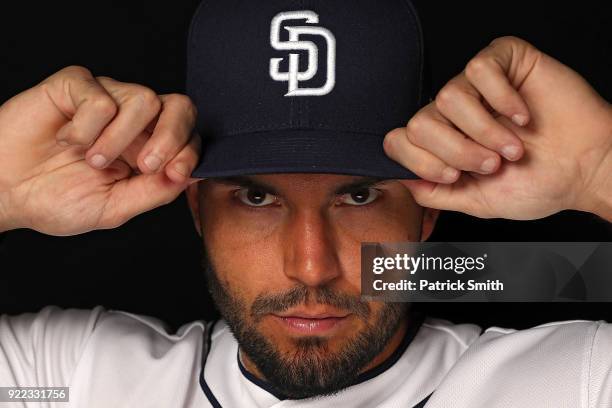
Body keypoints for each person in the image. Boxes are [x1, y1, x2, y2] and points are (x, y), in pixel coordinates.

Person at [0, 1, 610, 407]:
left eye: (360, 195)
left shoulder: (571, 384)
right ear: (196, 210)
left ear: (427, 214)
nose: (311, 267)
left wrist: (600, 169)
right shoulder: (71, 381)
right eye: (257, 196)